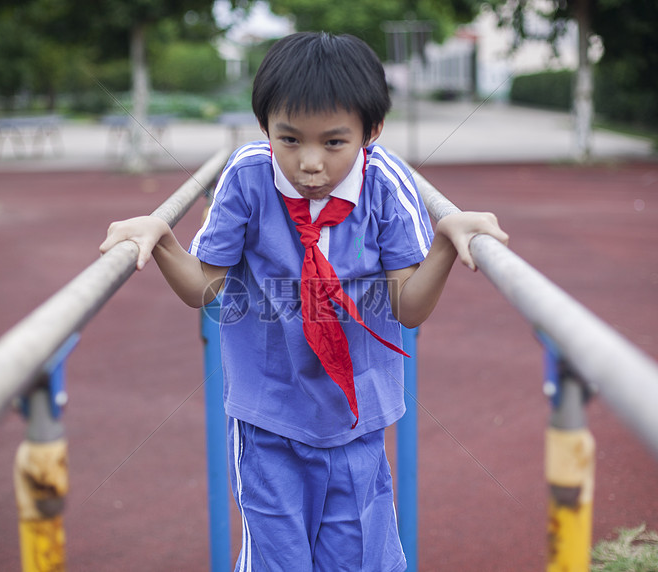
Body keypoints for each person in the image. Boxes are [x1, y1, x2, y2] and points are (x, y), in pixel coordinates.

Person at [100, 31, 508, 572]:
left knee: (358, 559)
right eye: (288, 140)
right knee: (279, 562)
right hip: (267, 417)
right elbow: (205, 288)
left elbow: (408, 307)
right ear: (265, 126)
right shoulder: (247, 176)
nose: (308, 163)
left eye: (333, 143)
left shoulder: (386, 184)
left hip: (356, 420)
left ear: (372, 132)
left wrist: (443, 245)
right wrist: (163, 236)